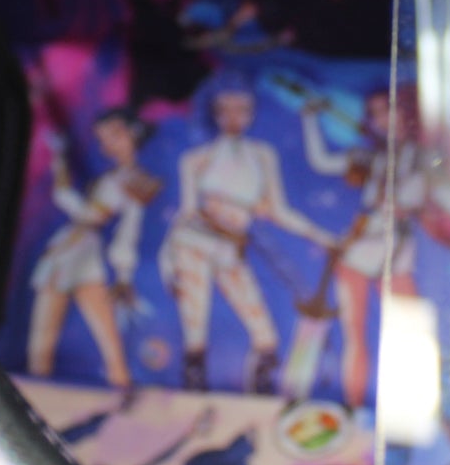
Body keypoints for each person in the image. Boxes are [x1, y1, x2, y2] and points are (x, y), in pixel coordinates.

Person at [162, 80, 338, 393]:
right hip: (193, 242)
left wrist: (320, 236)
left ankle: (260, 389)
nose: (233, 117)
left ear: (251, 114)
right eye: (225, 110)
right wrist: (167, 259)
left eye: (241, 110)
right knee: (195, 323)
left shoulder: (262, 155)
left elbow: (278, 210)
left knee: (263, 330)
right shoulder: (195, 159)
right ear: (215, 114)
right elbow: (186, 213)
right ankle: (194, 389)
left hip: (231, 246)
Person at [299, 87, 426, 409]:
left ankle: (414, 409)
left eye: (389, 109)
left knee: (411, 336)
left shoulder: (425, 157)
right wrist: (310, 120)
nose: (383, 119)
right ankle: (354, 406)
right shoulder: (373, 157)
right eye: (376, 113)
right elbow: (321, 161)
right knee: (354, 336)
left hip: (397, 252)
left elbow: (412, 197)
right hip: (360, 248)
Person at [26, 110, 160, 389]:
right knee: (45, 340)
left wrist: (124, 275)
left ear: (133, 134)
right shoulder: (113, 177)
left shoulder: (138, 181)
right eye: (104, 138)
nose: (108, 143)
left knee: (104, 339)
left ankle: (120, 390)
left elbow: (121, 228)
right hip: (72, 251)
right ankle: (36, 393)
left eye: (116, 135)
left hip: (82, 254)